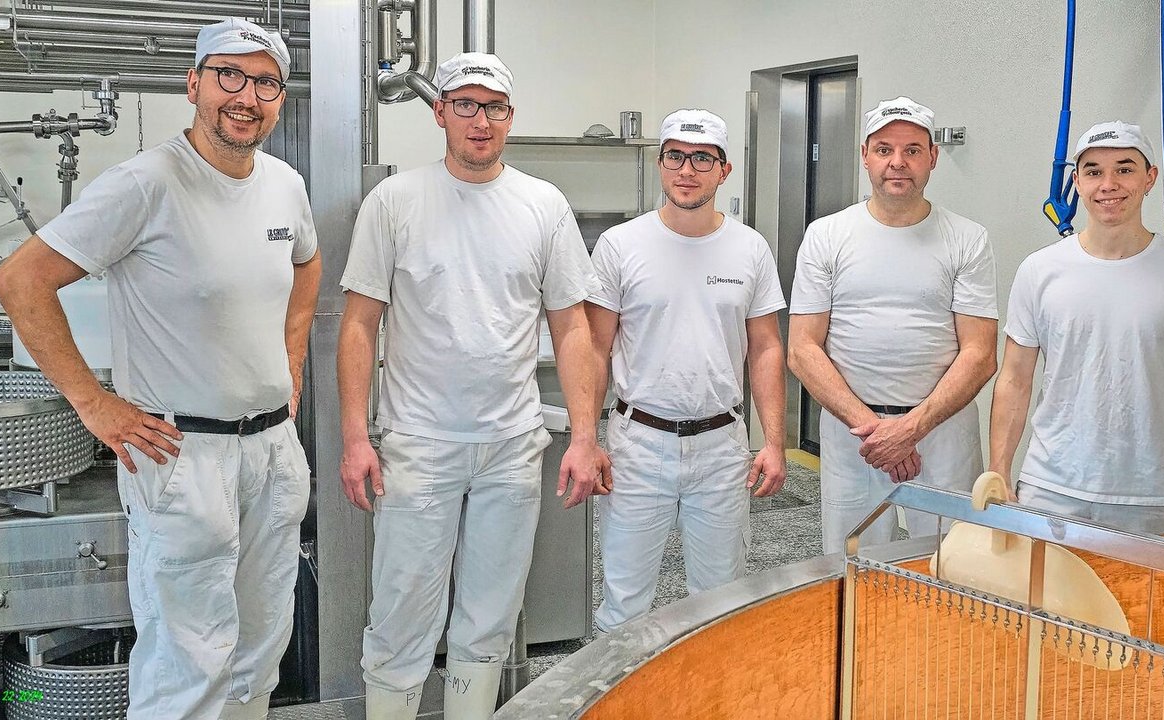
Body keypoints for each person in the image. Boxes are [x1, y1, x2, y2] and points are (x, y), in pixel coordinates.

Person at [0, 17, 320, 720]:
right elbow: (20, 281)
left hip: (271, 449)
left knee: (260, 649)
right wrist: (94, 403)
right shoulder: (145, 184)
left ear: (279, 99)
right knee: (187, 662)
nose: (246, 96)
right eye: (229, 75)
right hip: (180, 454)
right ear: (193, 84)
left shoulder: (285, 184)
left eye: (265, 83)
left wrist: (291, 358)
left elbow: (307, 263)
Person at [337, 52, 608, 720]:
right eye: (465, 105)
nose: (480, 121)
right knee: (401, 617)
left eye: (493, 108)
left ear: (510, 117)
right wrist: (355, 437)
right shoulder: (395, 202)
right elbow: (359, 325)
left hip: (510, 447)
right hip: (419, 445)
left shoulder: (542, 206)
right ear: (440, 113)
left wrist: (584, 436)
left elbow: (572, 327)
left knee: (489, 620)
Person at [586, 109, 787, 632]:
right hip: (638, 444)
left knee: (720, 603)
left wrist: (774, 442)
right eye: (675, 156)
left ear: (724, 170)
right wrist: (586, 439)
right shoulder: (621, 245)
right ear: (660, 164)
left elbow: (766, 348)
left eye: (702, 159)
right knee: (625, 603)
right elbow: (594, 349)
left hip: (721, 447)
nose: (687, 170)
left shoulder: (750, 248)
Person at [989, 120, 1164, 523]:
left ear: (1150, 178)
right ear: (1077, 182)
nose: (1108, 184)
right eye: (1094, 171)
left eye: (1124, 169)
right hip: (1050, 489)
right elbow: (1014, 379)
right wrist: (999, 472)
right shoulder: (1039, 270)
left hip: (1149, 494)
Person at [787, 96, 998, 552]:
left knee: (949, 563)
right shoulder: (827, 235)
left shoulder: (967, 239)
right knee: (852, 561)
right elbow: (802, 349)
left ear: (933, 157)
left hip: (942, 430)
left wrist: (910, 429)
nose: (897, 162)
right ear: (865, 155)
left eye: (912, 150)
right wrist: (875, 430)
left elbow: (980, 354)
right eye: (884, 149)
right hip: (854, 433)